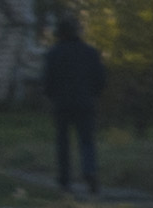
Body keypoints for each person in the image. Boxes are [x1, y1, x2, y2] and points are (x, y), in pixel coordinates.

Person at [43, 11, 108, 194]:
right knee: (87, 140)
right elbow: (101, 80)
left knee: (63, 142)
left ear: (60, 33)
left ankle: (65, 181)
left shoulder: (54, 54)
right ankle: (89, 171)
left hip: (62, 104)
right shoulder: (90, 53)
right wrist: (93, 95)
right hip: (85, 102)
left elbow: (47, 81)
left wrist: (51, 97)